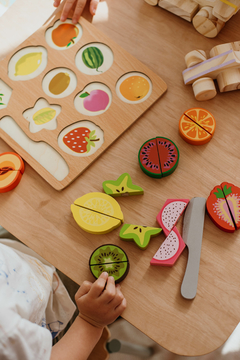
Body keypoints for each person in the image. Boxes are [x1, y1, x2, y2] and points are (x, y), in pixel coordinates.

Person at [0, 231, 127, 360]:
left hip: (14, 250)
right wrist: (91, 322)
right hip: (53, 312)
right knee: (118, 298)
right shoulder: (5, 334)